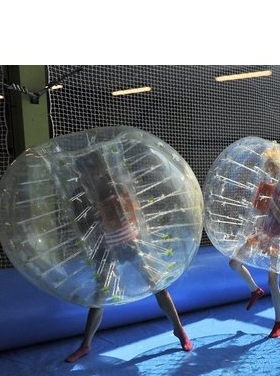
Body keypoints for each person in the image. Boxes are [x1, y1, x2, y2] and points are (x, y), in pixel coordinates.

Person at [64, 150, 193, 364]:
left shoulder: (113, 186)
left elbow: (132, 213)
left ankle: (179, 330)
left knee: (157, 285)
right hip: (107, 247)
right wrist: (91, 217)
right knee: (98, 297)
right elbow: (84, 226)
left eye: (84, 172)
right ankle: (85, 345)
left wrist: (110, 209)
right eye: (81, 173)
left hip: (130, 242)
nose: (82, 176)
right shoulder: (83, 194)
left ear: (95, 170)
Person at [229, 143, 280, 339]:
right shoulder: (273, 189)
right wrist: (259, 207)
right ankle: (254, 290)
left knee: (273, 280)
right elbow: (261, 213)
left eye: (279, 173)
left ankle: (279, 321)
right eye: (275, 172)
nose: (276, 176)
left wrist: (270, 203)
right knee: (234, 262)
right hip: (265, 232)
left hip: (278, 238)